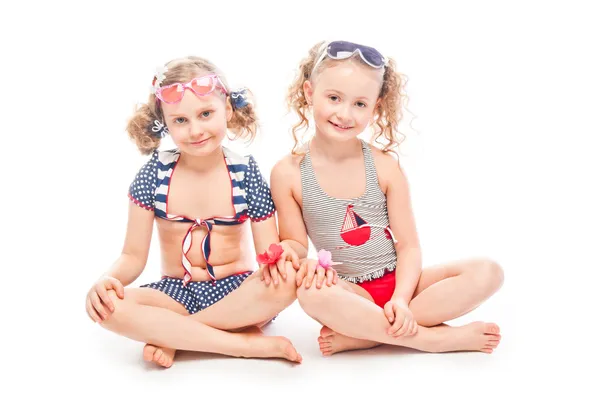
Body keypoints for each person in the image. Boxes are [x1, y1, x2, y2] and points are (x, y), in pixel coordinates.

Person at [271, 40, 504, 356]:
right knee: (310, 293)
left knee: (488, 271)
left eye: (360, 104)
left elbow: (408, 246)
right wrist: (298, 258)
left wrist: (401, 300)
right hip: (348, 293)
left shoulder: (383, 166)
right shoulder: (288, 173)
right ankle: (434, 340)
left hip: (401, 283)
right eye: (334, 98)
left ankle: (366, 336)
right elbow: (296, 244)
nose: (344, 113)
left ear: (376, 106)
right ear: (310, 92)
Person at [85, 56, 302, 368]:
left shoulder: (245, 173)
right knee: (108, 307)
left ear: (226, 109)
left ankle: (175, 336)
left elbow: (269, 252)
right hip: (174, 293)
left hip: (237, 291)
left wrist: (281, 258)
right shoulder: (154, 175)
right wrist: (106, 280)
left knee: (289, 279)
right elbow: (133, 257)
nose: (196, 130)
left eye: (205, 114)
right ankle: (239, 343)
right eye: (181, 121)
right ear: (165, 123)